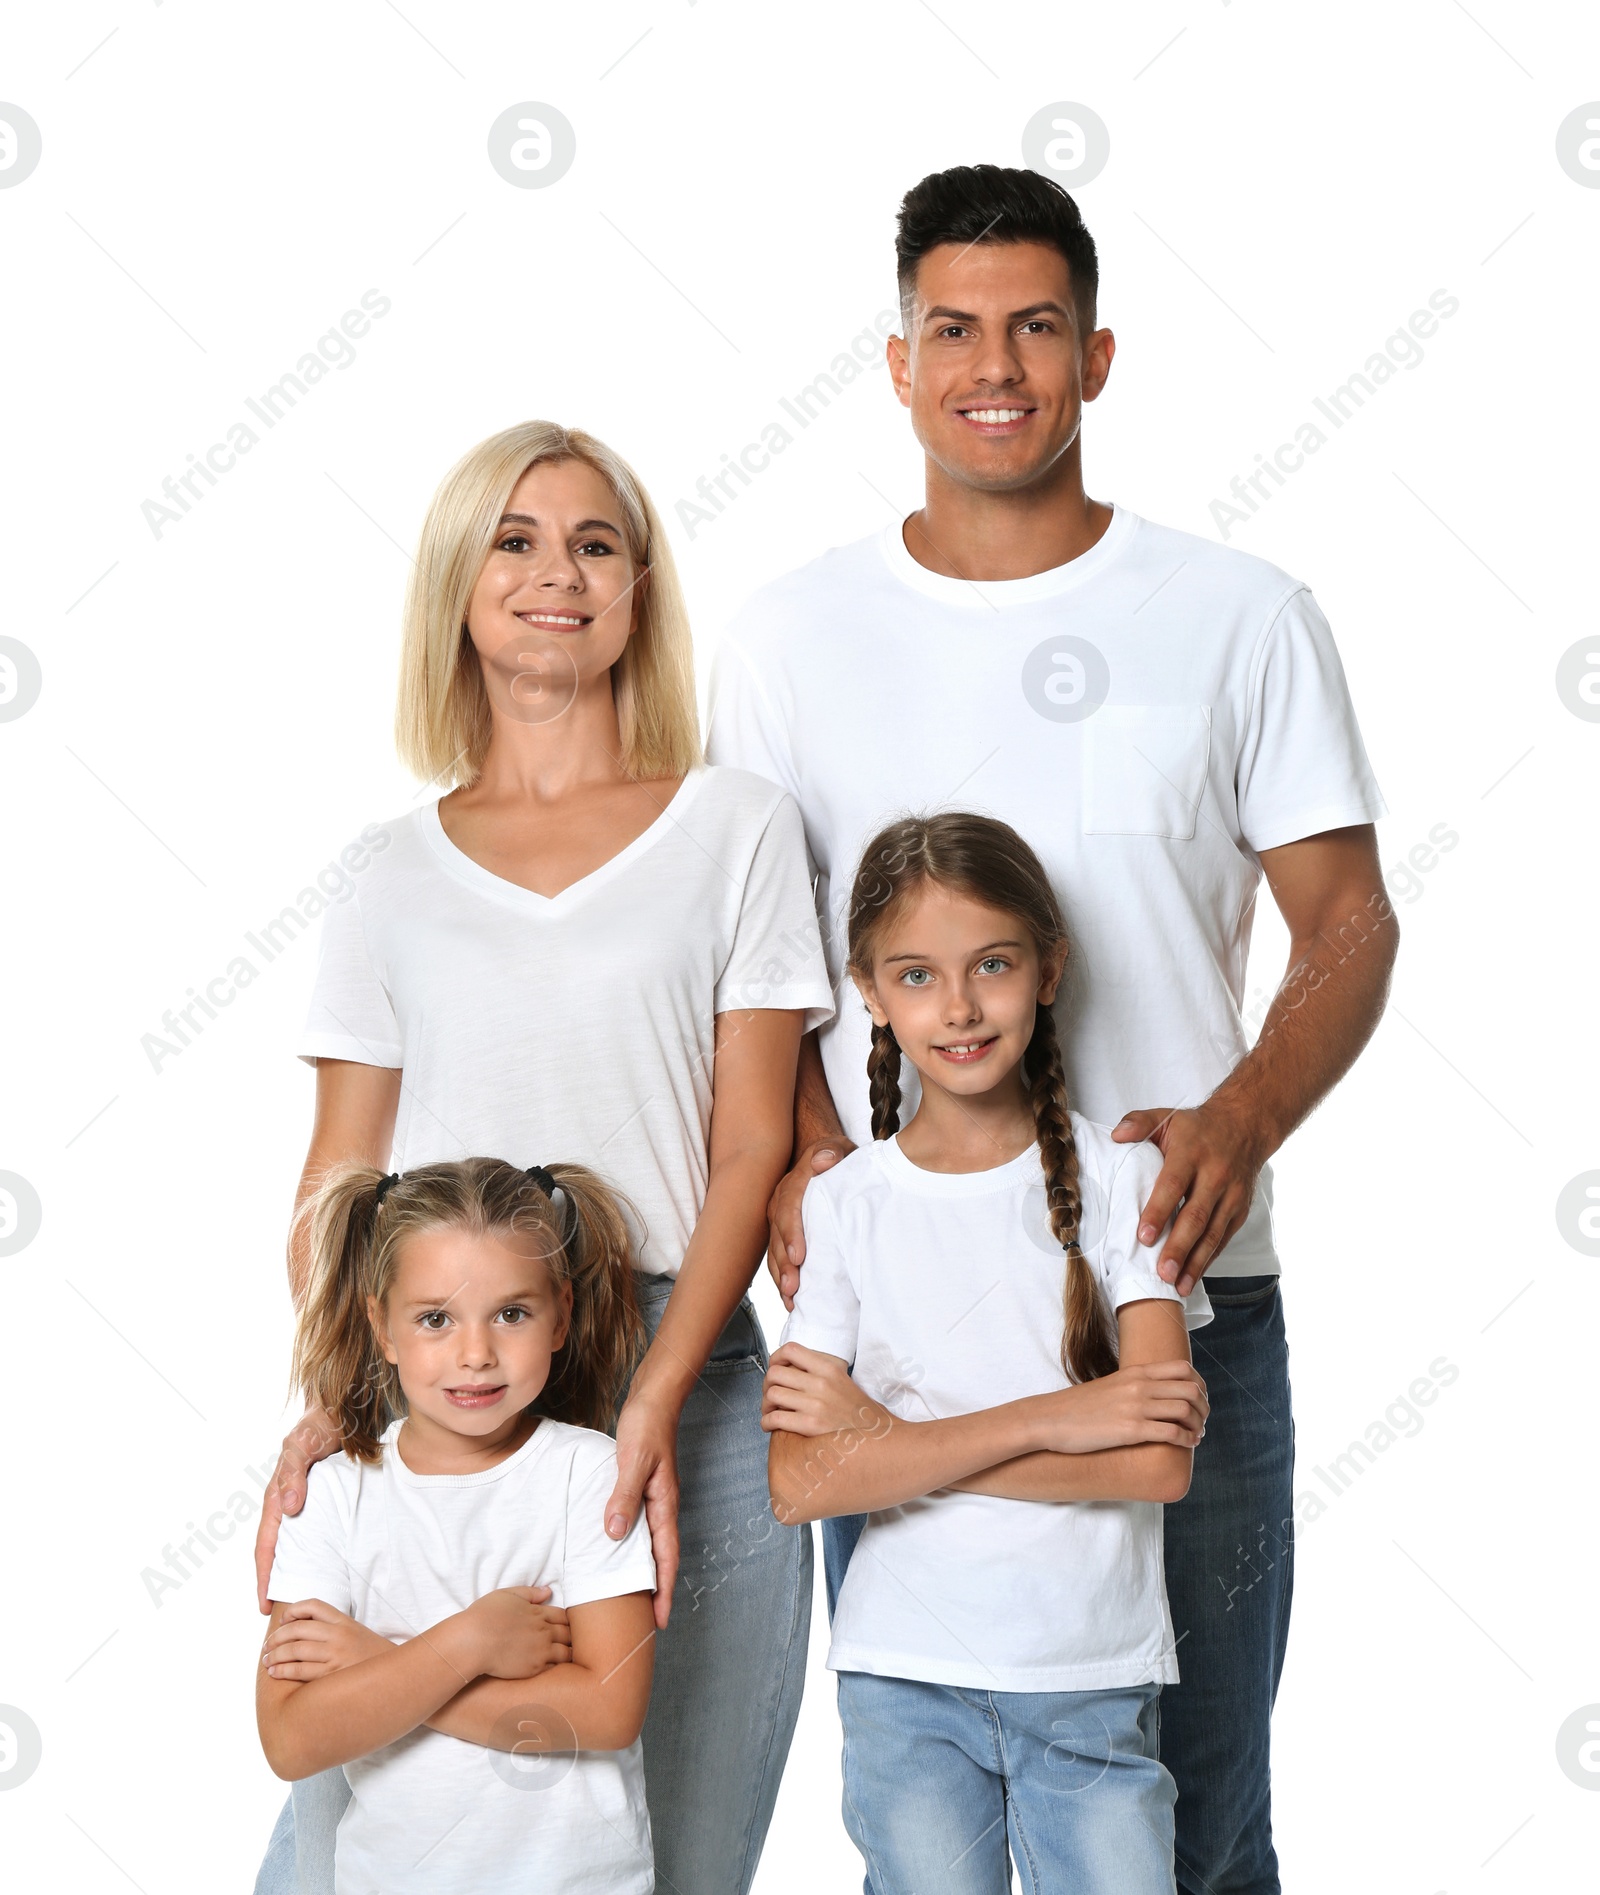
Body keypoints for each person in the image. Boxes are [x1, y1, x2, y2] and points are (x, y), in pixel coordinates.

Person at [708, 166, 1396, 1895]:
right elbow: (762, 956)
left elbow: (1349, 924)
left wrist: (1238, 1115)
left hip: (1175, 1296)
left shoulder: (1240, 614)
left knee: (1202, 1815)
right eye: (954, 327)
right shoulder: (793, 637)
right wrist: (802, 1150)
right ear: (897, 362)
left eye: (1033, 327)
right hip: (908, 1321)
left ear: (1098, 355)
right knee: (927, 1838)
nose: (992, 363)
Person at [251, 421, 834, 1895]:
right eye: (513, 539)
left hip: (674, 1358)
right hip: (439, 1383)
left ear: (640, 589)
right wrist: (328, 1406)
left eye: (594, 542)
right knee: (350, 1836)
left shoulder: (737, 828)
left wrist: (647, 1397)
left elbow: (752, 1136)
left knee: (673, 1849)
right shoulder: (389, 872)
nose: (553, 573)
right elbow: (338, 1174)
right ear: (458, 584)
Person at [763, 815, 1212, 1893]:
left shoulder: (1121, 1179)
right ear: (869, 992)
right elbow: (798, 1481)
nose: (958, 1007)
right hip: (904, 1678)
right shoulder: (845, 1206)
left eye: (992, 965)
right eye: (916, 974)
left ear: (1047, 968)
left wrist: (892, 1446)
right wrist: (1052, 1416)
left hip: (1088, 1674)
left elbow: (1157, 1459)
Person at [257, 1157, 658, 1895]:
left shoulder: (589, 1475)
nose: (476, 1353)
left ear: (562, 1313)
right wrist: (470, 1642)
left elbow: (604, 1710)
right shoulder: (333, 1495)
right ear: (382, 1325)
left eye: (511, 1313)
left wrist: (380, 1664)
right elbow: (292, 1737)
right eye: (435, 1317)